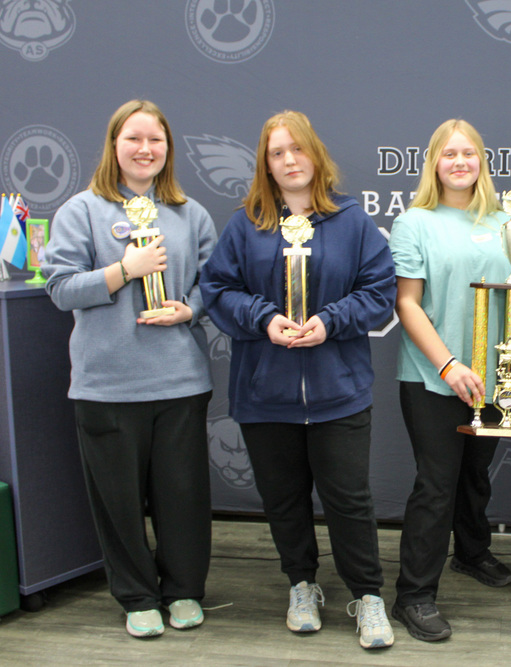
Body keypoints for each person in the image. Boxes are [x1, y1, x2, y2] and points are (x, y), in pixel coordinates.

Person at [200, 110, 396, 650]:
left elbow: (379, 292)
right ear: (266, 164)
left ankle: (367, 595)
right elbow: (217, 290)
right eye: (277, 153)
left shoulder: (352, 221)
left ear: (316, 154)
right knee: (283, 500)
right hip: (265, 394)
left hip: (339, 393)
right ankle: (301, 585)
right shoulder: (246, 225)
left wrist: (331, 321)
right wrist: (263, 318)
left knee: (349, 501)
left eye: (297, 148)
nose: (289, 160)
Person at [43, 100, 216, 638]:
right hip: (107, 386)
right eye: (134, 139)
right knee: (117, 502)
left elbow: (214, 284)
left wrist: (189, 309)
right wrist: (124, 269)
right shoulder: (81, 211)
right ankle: (137, 596)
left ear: (168, 148)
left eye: (155, 140)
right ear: (114, 145)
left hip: (179, 381)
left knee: (183, 496)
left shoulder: (191, 213)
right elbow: (60, 288)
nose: (145, 149)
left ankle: (183, 590)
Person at [388, 119, 511, 641]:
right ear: (433, 163)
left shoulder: (507, 221)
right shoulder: (415, 223)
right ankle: (413, 595)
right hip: (432, 377)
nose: (459, 162)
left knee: (475, 473)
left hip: (493, 377)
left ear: (482, 162)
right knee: (436, 483)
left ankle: (471, 553)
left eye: (468, 153)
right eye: (448, 154)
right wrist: (449, 365)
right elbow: (407, 303)